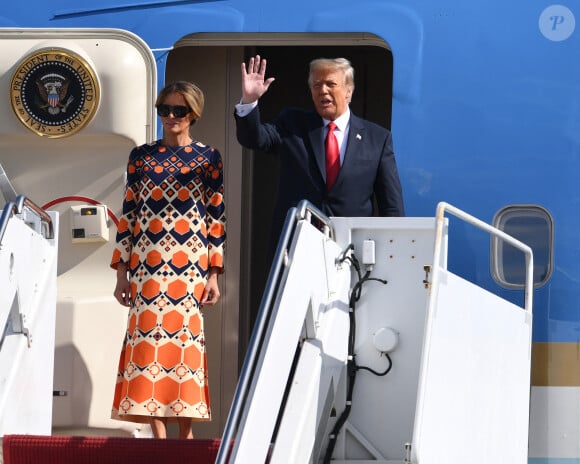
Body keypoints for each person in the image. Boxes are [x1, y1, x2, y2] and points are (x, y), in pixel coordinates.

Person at [110, 81, 226, 439]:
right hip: (146, 265)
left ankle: (186, 435)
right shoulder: (141, 157)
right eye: (165, 110)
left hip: (190, 265)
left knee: (183, 348)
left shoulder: (209, 158)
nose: (171, 117)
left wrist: (214, 274)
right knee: (148, 348)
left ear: (194, 114)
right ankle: (160, 437)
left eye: (179, 111)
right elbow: (128, 212)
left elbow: (216, 218)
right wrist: (121, 271)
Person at [234, 55, 404, 242]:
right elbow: (254, 139)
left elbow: (391, 205)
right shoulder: (292, 124)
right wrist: (249, 101)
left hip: (351, 250)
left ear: (349, 91)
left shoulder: (377, 138)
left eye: (331, 84)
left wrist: (393, 248)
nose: (323, 90)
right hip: (297, 246)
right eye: (316, 85)